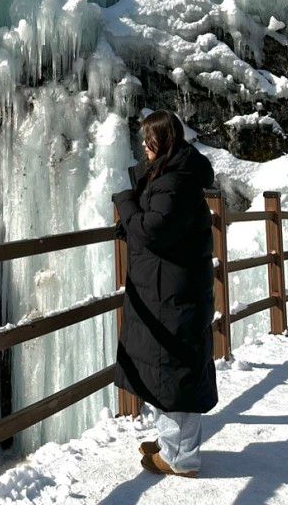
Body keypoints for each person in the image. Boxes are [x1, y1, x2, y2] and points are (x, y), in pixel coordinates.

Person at [113, 109, 217, 478]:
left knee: (174, 369)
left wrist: (125, 202)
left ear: (166, 140)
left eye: (150, 139)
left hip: (172, 292)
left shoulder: (176, 181)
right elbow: (156, 220)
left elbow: (153, 230)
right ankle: (171, 442)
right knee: (166, 368)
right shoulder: (174, 175)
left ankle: (181, 458)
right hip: (168, 288)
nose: (144, 146)